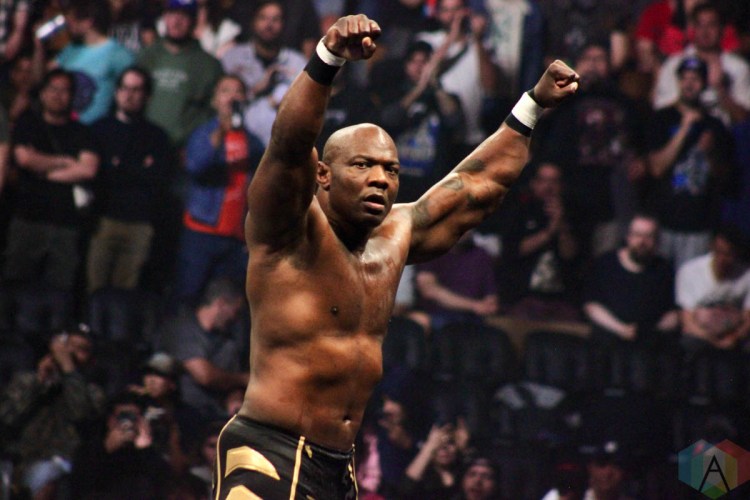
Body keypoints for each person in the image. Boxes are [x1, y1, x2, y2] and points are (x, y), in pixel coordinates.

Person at [212, 12, 579, 499]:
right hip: (269, 450)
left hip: (338, 465)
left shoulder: (396, 236)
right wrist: (328, 57)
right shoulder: (288, 231)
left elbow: (478, 186)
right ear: (323, 175)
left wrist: (533, 104)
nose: (380, 180)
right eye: (363, 165)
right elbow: (289, 144)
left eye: (391, 170)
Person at [171, 74, 265, 307]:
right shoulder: (203, 133)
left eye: (238, 91)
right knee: (188, 294)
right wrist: (221, 131)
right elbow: (196, 166)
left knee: (227, 301)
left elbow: (261, 188)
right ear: (214, 101)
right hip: (202, 231)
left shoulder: (254, 143)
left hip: (236, 236)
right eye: (225, 91)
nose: (232, 97)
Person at [3, 68, 99, 295]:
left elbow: (88, 170)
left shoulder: (82, 132)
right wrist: (65, 161)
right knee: (15, 285)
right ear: (43, 93)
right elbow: (25, 160)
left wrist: (43, 169)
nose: (58, 95)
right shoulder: (28, 124)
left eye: (64, 90)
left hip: (66, 222)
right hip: (28, 218)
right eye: (53, 89)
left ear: (72, 95)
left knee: (60, 290)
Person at [86, 66, 174, 293]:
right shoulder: (99, 129)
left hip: (139, 224)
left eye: (136, 90)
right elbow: (96, 176)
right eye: (124, 88)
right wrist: (139, 168)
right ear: (116, 92)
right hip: (103, 220)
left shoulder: (157, 137)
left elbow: (158, 179)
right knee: (93, 288)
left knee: (125, 294)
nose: (129, 95)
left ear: (147, 96)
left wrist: (119, 167)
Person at [645, 55, 735, 270]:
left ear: (703, 84)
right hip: (665, 222)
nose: (689, 84)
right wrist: (684, 129)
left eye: (695, 79)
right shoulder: (661, 119)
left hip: (700, 225)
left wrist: (710, 153)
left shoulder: (715, 125)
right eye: (685, 78)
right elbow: (656, 168)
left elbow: (724, 176)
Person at [0, 324, 105, 499]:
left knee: (43, 476)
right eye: (68, 346)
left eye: (81, 350)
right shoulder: (26, 381)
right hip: (16, 457)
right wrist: (39, 382)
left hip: (56, 461)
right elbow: (6, 418)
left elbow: (80, 414)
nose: (70, 353)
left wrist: (69, 370)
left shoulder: (93, 393)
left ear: (91, 360)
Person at [497, 162, 582, 321]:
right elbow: (514, 250)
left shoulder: (573, 213)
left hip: (561, 297)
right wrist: (549, 231)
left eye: (554, 181)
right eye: (543, 180)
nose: (548, 186)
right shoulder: (518, 212)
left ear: (562, 185)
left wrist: (561, 225)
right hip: (523, 295)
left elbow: (571, 256)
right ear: (534, 183)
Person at [159, 277, 249, 422]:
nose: (236, 318)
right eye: (235, 311)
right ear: (221, 303)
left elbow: (233, 382)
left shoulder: (228, 342)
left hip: (215, 414)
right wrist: (244, 379)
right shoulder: (183, 329)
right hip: (182, 411)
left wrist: (235, 398)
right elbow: (204, 375)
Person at [583, 213, 679, 348]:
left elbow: (673, 315)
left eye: (649, 236)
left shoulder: (664, 269)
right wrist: (621, 329)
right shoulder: (606, 263)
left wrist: (647, 331)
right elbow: (591, 306)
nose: (642, 242)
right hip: (608, 340)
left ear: (657, 241)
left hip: (650, 344)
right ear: (628, 237)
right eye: (637, 235)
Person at [220, 0, 307, 147]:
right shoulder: (232, 59)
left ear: (284, 24)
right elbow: (221, 104)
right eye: (263, 18)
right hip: (239, 143)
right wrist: (256, 89)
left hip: (284, 144)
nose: (269, 25)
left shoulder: (298, 63)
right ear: (253, 21)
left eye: (275, 19)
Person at [137, 0, 223, 147]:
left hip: (187, 149)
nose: (176, 21)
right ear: (164, 18)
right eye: (172, 14)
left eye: (184, 15)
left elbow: (214, 112)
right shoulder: (145, 56)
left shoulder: (209, 65)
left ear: (194, 21)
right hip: (144, 145)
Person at [652, 2, 750, 126]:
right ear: (692, 29)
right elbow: (661, 112)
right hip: (683, 132)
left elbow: (745, 119)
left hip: (725, 133)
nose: (705, 32)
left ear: (722, 29)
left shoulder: (738, 68)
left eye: (711, 25)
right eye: (699, 25)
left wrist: (721, 90)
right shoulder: (674, 65)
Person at [40, 0, 135, 125]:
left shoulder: (117, 54)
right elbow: (42, 78)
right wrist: (39, 46)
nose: (68, 24)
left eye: (72, 19)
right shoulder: (70, 50)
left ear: (88, 22)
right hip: (67, 127)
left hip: (98, 130)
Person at [676, 225, 750, 351]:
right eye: (719, 252)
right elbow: (687, 321)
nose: (722, 259)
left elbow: (748, 319)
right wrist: (713, 341)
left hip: (733, 335)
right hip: (699, 336)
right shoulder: (689, 271)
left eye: (728, 254)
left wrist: (733, 337)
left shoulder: (747, 275)